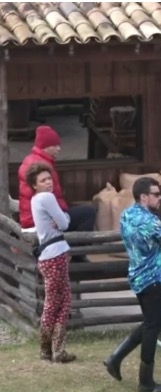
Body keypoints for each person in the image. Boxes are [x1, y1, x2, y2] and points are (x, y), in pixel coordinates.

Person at [103, 177, 161, 392]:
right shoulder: (151, 221)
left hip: (136, 277)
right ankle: (145, 381)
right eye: (156, 194)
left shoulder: (126, 215)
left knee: (149, 322)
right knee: (152, 327)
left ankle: (116, 358)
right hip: (154, 279)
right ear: (144, 196)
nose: (160, 198)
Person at [27, 163, 75, 363]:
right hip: (55, 255)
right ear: (34, 185)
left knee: (56, 302)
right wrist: (64, 217)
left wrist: (63, 218)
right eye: (43, 180)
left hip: (47, 256)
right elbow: (64, 223)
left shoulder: (35, 200)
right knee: (58, 303)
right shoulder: (47, 197)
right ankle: (53, 350)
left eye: (49, 178)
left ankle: (50, 350)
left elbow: (62, 221)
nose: (48, 182)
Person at [18, 125, 96, 233]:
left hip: (31, 218)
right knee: (88, 212)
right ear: (45, 146)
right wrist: (61, 216)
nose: (59, 149)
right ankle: (80, 242)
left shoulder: (30, 160)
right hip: (40, 221)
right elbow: (47, 200)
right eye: (55, 145)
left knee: (78, 212)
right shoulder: (42, 167)